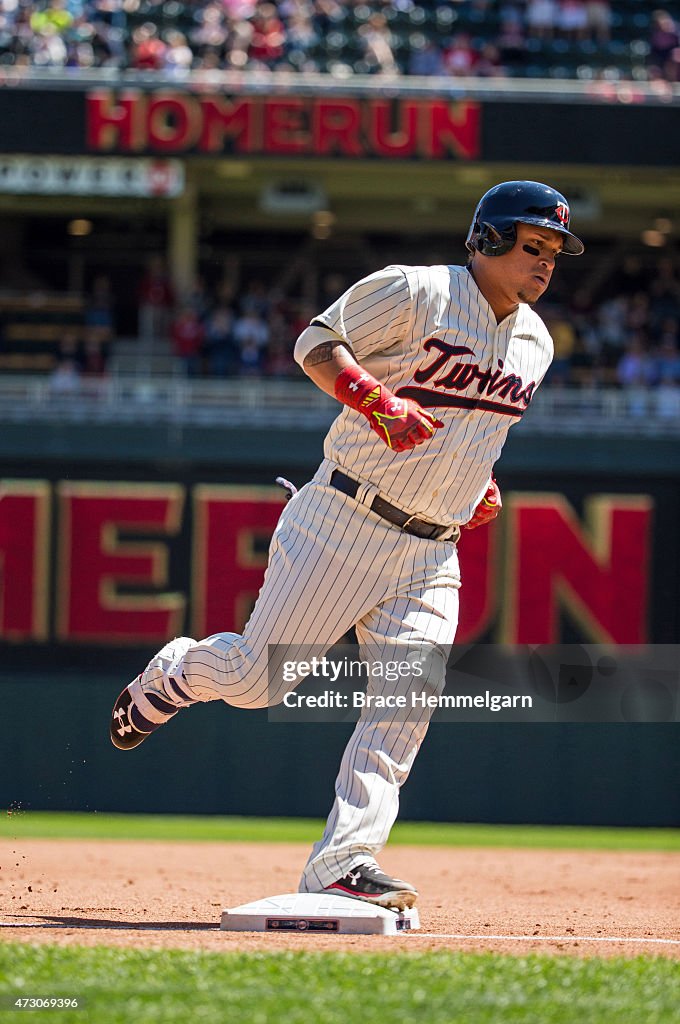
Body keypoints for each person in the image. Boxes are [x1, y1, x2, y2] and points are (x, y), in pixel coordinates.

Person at [110, 181, 584, 911]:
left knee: (406, 700)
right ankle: (177, 670)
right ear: (486, 240)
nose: (547, 262)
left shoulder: (537, 342)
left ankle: (344, 860)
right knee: (255, 682)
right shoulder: (414, 291)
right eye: (533, 245)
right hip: (343, 519)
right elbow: (315, 342)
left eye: (555, 251)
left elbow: (481, 432)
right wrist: (375, 399)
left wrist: (476, 485)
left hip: (432, 552)